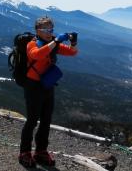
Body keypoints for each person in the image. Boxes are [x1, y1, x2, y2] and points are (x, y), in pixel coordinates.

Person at [19, 16, 78, 168]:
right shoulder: (32, 43)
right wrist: (56, 41)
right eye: (45, 29)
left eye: (50, 29)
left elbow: (72, 52)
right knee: (32, 120)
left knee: (46, 120)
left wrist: (73, 41)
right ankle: (24, 152)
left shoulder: (52, 43)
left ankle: (41, 151)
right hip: (33, 86)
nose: (48, 32)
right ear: (37, 30)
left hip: (47, 85)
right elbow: (36, 55)